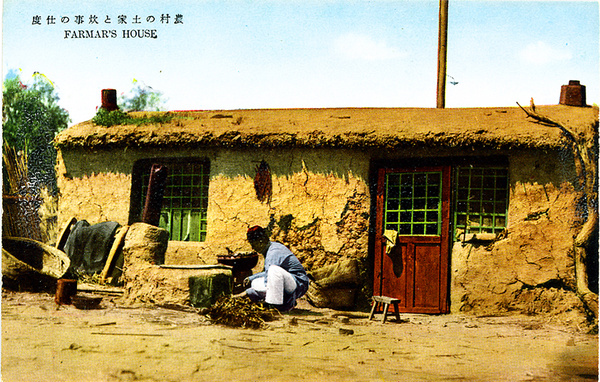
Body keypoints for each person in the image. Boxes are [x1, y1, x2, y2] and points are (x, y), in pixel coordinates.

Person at [236, 226, 309, 311]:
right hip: (287, 281)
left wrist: (246, 293)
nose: (253, 248)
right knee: (255, 282)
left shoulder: (274, 252)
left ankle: (274, 305)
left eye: (253, 244)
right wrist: (251, 278)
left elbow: (271, 276)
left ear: (260, 242)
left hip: (298, 283)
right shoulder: (270, 248)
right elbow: (268, 274)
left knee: (273, 270)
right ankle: (284, 300)